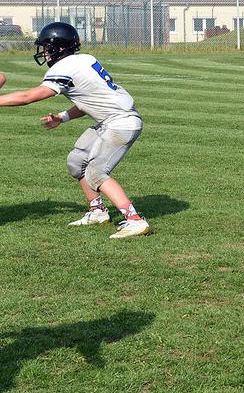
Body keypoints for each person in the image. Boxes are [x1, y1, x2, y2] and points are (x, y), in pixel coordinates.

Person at [0, 22, 150, 239]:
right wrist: (62, 117)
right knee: (76, 162)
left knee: (96, 173)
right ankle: (97, 211)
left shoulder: (64, 68)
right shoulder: (84, 59)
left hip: (120, 122)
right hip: (111, 120)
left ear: (58, 48)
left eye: (47, 48)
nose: (44, 53)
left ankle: (134, 220)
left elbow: (28, 97)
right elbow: (89, 100)